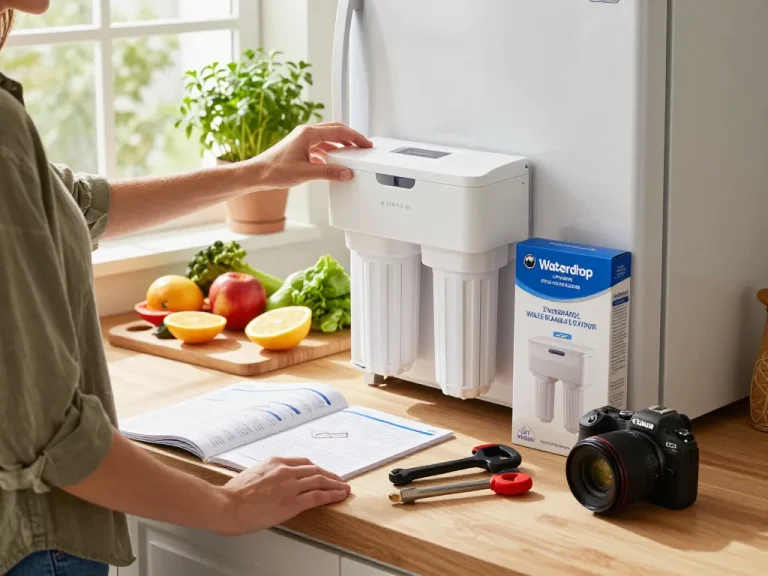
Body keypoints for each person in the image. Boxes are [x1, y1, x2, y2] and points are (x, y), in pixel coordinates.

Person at [0, 2, 373, 574]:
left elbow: (72, 205)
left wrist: (261, 171)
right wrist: (227, 504)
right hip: (32, 542)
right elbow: (51, 438)